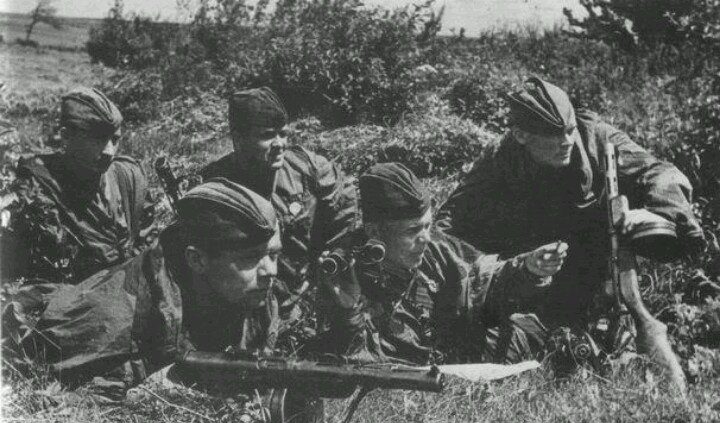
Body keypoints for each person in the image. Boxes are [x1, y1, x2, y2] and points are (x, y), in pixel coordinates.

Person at [437, 77, 705, 330]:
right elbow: (451, 218)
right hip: (532, 264)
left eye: (569, 130)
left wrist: (658, 213)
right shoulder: (500, 158)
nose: (566, 142)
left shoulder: (597, 138)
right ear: (521, 135)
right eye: (554, 134)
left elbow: (661, 173)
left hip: (593, 263)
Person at [2, 178, 282, 401]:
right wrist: (149, 390)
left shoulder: (254, 294)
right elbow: (43, 388)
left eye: (273, 255)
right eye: (250, 258)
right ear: (197, 260)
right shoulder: (116, 321)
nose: (270, 271)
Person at [317, 162, 568, 365]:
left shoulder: (437, 249)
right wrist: (348, 313)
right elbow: (356, 360)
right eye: (412, 230)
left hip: (448, 359)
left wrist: (528, 268)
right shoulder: (346, 271)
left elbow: (484, 279)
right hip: (405, 372)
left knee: (521, 328)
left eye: (427, 225)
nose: (425, 238)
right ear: (375, 232)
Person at [200, 87, 356, 322]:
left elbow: (344, 210)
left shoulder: (309, 169)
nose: (280, 144)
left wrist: (329, 260)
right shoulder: (215, 184)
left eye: (283, 134)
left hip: (308, 296)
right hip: (248, 306)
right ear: (238, 138)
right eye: (267, 136)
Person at [0, 87, 155, 284]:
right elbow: (32, 273)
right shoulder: (38, 187)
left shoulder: (129, 178)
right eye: (97, 139)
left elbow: (148, 247)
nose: (109, 151)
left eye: (114, 140)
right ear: (66, 136)